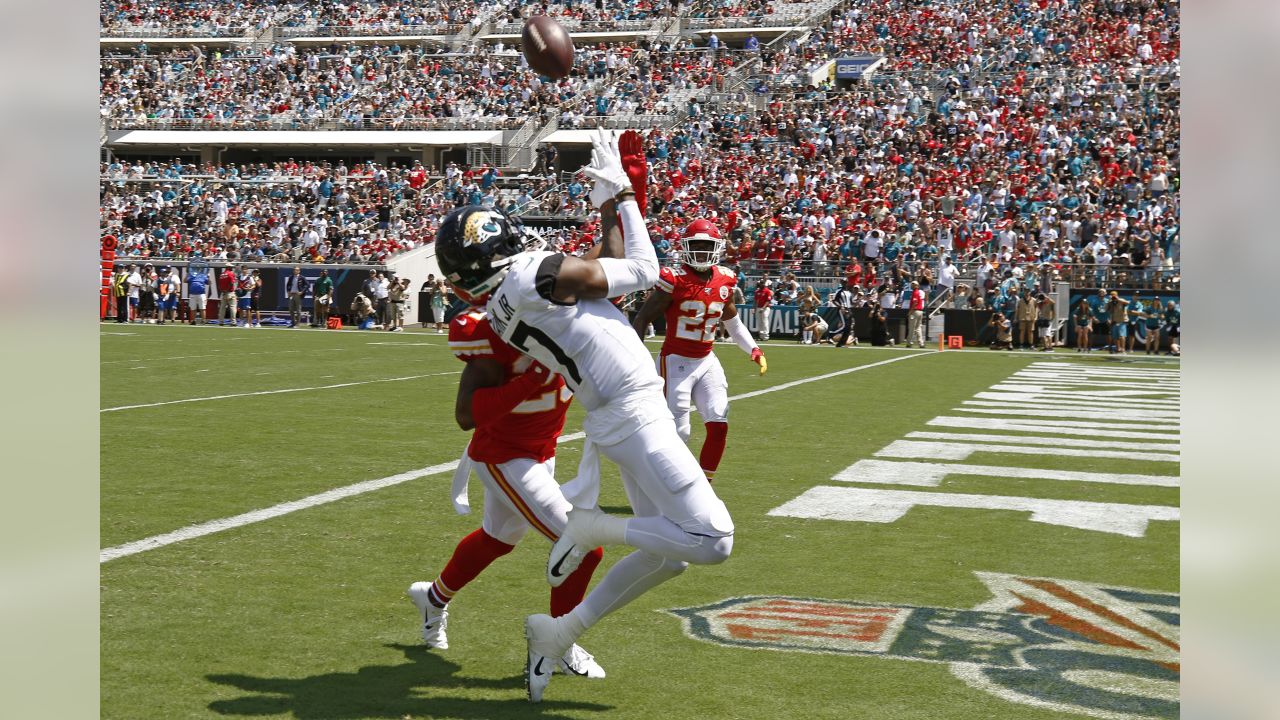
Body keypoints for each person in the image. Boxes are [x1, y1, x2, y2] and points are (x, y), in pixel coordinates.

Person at [435, 129, 733, 704]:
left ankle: (560, 632)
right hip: (634, 413)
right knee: (713, 539)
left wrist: (610, 205)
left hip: (622, 414)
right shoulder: (534, 276)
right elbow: (646, 269)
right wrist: (622, 195)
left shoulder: (517, 293)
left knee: (664, 556)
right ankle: (592, 526)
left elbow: (608, 267)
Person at [407, 307, 605, 677]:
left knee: (498, 539)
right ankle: (558, 643)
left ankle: (432, 598)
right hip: (505, 456)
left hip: (541, 450)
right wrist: (531, 378)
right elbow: (465, 416)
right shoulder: (497, 333)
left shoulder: (571, 316)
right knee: (582, 545)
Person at [629, 218, 767, 482]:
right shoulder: (674, 279)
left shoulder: (725, 279)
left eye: (707, 246)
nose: (702, 251)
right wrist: (637, 361)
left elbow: (734, 324)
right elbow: (642, 318)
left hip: (706, 361)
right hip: (675, 362)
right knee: (678, 434)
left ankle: (703, 488)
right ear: (686, 247)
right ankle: (661, 487)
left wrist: (754, 350)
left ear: (716, 248)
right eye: (697, 246)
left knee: (718, 423)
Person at [830, 282, 857, 347]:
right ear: (842, 284)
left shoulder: (849, 292)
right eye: (843, 283)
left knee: (848, 328)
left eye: (846, 283)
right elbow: (834, 300)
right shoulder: (839, 291)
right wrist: (840, 307)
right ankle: (830, 334)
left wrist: (857, 301)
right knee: (844, 326)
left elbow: (851, 302)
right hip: (843, 309)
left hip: (849, 309)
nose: (845, 284)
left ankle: (841, 343)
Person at [906, 280, 926, 348]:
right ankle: (921, 343)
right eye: (912, 284)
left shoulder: (915, 292)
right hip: (920, 311)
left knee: (912, 327)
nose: (912, 285)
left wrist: (910, 312)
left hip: (915, 311)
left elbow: (915, 303)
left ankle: (909, 342)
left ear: (917, 286)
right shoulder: (918, 292)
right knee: (918, 328)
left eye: (914, 284)